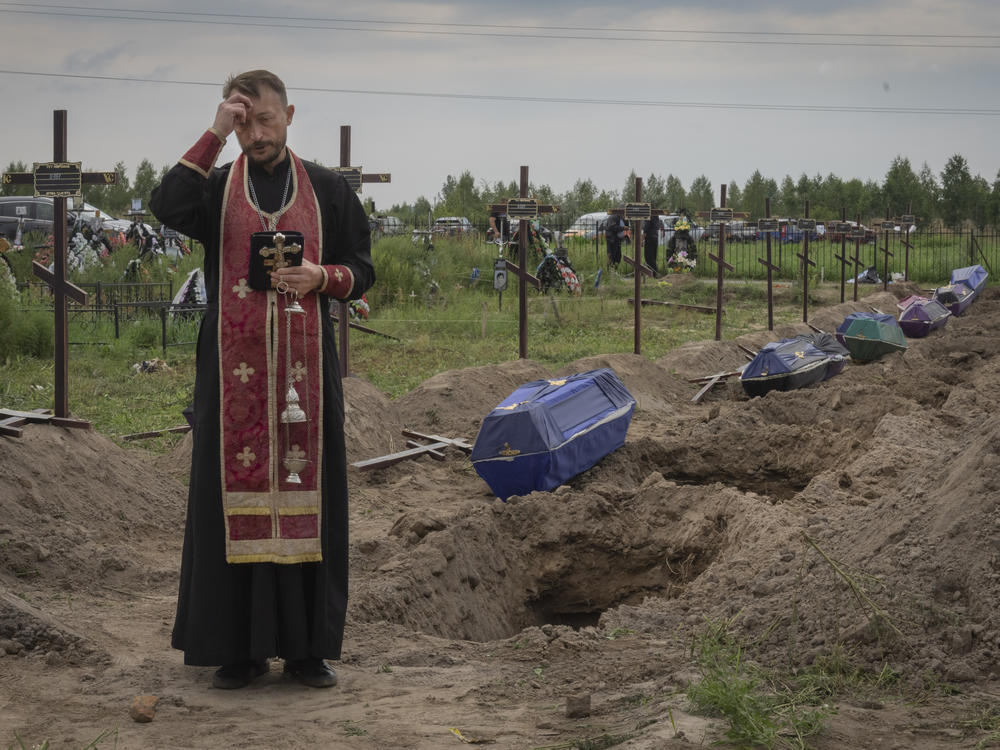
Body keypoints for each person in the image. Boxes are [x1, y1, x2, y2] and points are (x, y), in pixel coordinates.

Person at [150, 69, 374, 691]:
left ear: (291, 115)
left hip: (307, 376)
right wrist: (214, 132)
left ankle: (307, 651)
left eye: (265, 120)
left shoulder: (327, 188)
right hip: (232, 376)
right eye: (245, 123)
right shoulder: (217, 188)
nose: (257, 134)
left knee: (311, 500)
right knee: (229, 502)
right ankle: (238, 650)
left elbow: (362, 266)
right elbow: (165, 206)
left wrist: (321, 278)